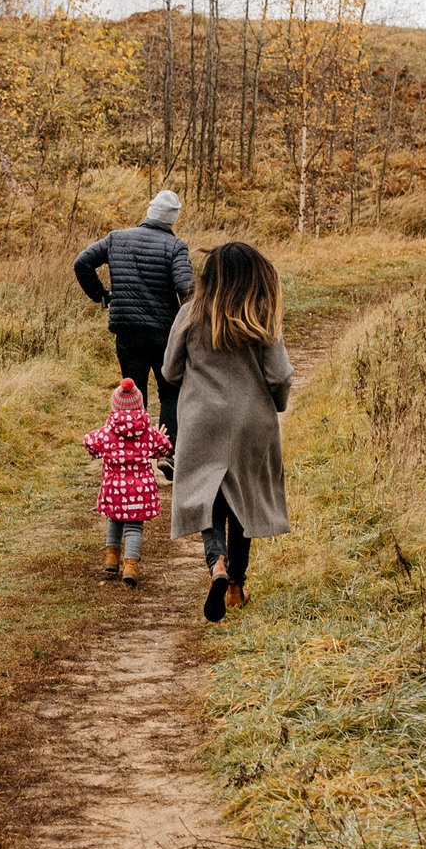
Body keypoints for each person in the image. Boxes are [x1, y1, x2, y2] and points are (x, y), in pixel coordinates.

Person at [162, 241, 292, 623]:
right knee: (244, 499)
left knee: (209, 497)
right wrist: (277, 404)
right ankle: (236, 586)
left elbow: (170, 371)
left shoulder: (189, 314)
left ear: (210, 275)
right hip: (252, 421)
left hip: (203, 420)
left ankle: (216, 564)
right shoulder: (261, 318)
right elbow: (280, 375)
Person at [73, 189, 193, 458]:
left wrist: (103, 297)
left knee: (133, 393)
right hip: (164, 334)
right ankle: (167, 453)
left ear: (150, 212)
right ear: (172, 219)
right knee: (170, 393)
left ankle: (135, 456)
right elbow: (187, 290)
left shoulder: (117, 238)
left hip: (127, 332)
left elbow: (82, 263)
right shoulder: (175, 247)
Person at [83, 378, 170, 587]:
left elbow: (89, 443)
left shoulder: (107, 432)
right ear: (140, 405)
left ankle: (111, 559)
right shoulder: (148, 433)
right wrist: (160, 435)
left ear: (115, 406)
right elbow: (165, 448)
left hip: (114, 488)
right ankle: (130, 566)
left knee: (114, 518)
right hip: (139, 490)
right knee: (134, 527)